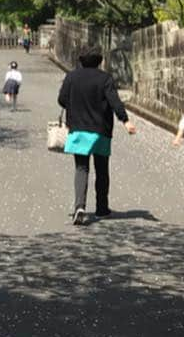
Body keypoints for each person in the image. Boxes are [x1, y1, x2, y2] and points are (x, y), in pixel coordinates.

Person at [58, 48, 136, 224]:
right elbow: (114, 101)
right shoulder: (105, 78)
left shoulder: (72, 77)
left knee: (81, 168)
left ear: (81, 61)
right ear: (99, 62)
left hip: (78, 129)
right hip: (101, 130)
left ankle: (79, 206)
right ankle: (102, 208)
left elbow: (62, 99)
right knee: (102, 170)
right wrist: (126, 121)